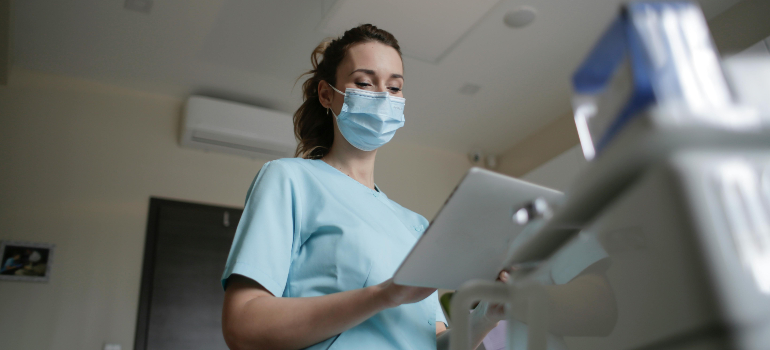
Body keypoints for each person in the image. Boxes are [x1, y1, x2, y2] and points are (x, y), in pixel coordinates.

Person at [220, 24, 504, 350]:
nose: (384, 97)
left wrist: (487, 316)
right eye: (365, 83)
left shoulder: (416, 226)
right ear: (327, 94)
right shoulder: (289, 180)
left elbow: (434, 342)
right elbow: (243, 324)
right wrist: (385, 295)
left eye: (395, 88)